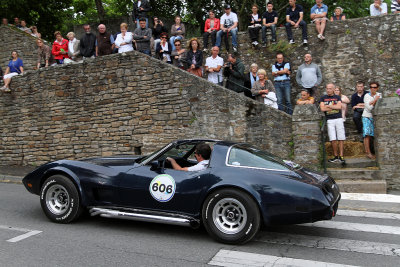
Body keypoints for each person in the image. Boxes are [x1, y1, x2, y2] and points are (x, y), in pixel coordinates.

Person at [320, 83, 346, 164]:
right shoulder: (323, 98)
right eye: (327, 88)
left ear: (334, 89)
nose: (328, 90)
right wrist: (333, 106)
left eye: (330, 88)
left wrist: (329, 106)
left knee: (341, 137)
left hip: (338, 118)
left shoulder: (337, 97)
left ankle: (341, 156)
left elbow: (339, 107)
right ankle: (335, 155)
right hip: (330, 120)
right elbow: (322, 108)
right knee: (332, 138)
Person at [362, 81, 382, 159]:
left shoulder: (379, 95)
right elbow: (369, 108)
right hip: (367, 116)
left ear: (377, 88)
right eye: (371, 87)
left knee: (374, 135)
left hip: (375, 117)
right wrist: (375, 100)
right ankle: (368, 152)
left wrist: (372, 102)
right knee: (367, 135)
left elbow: (379, 106)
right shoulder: (367, 96)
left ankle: (375, 152)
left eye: (374, 87)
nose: (373, 89)